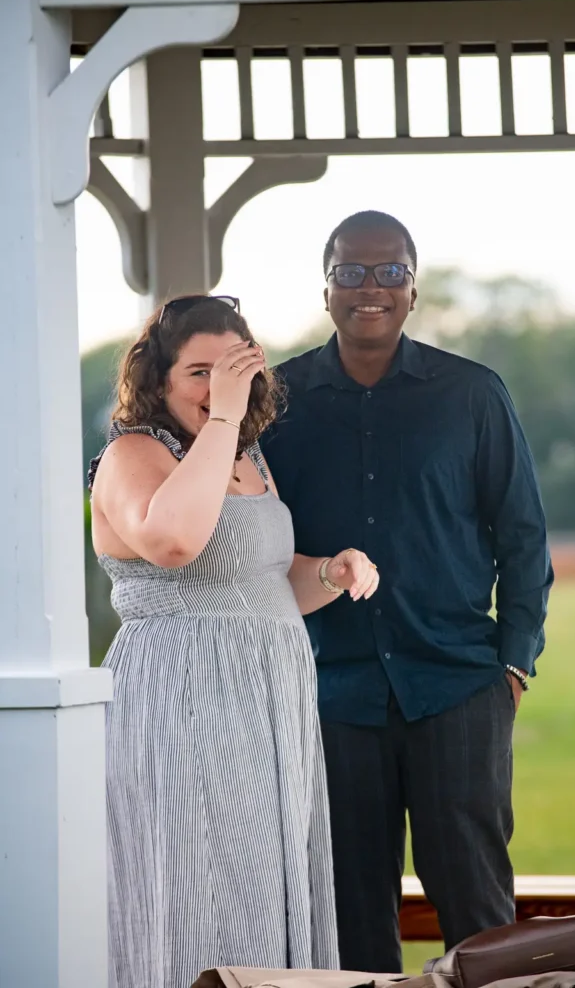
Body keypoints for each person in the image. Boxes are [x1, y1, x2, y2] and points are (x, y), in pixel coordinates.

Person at [260, 211, 554, 973]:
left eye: (389, 271)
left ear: (413, 289)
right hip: (330, 693)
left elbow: (522, 536)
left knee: (476, 906)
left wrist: (513, 663)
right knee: (351, 911)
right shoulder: (277, 403)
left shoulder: (471, 395)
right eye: (349, 271)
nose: (370, 287)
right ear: (325, 288)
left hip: (456, 683)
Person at [88, 294, 380, 988]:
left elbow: (264, 584)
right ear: (156, 380)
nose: (218, 387)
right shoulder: (132, 453)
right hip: (186, 692)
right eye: (198, 372)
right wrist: (222, 415)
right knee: (203, 878)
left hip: (269, 700)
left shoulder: (247, 456)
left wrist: (330, 572)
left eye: (233, 370)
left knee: (259, 877)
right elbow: (174, 541)